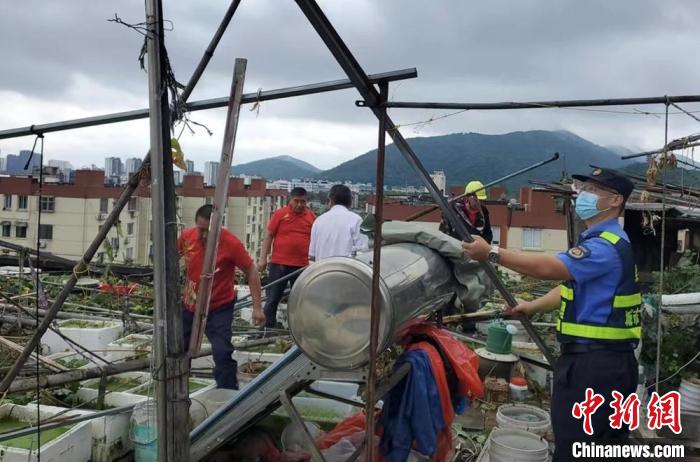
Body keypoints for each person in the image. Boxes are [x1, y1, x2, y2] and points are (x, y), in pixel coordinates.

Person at [462, 167, 640, 461]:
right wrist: (532, 307)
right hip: (598, 363)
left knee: (581, 447)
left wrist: (491, 253)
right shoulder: (603, 242)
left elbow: (549, 268)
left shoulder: (605, 246)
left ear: (615, 201)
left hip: (597, 367)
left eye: (593, 191)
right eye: (583, 188)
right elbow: (569, 287)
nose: (583, 195)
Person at [179, 204, 264, 389]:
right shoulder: (187, 237)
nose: (202, 235)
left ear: (217, 227)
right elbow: (171, 258)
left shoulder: (230, 243)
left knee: (222, 351)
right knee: (179, 348)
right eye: (200, 229)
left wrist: (257, 308)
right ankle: (176, 388)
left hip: (219, 307)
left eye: (207, 230)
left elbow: (251, 271)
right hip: (190, 304)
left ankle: (227, 394)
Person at [258, 187, 315, 328]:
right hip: (279, 263)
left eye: (303, 202)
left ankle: (298, 329)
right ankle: (267, 328)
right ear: (291, 200)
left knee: (301, 299)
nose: (300, 205)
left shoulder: (311, 217)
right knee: (272, 298)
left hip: (301, 265)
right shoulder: (280, 214)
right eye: (297, 201)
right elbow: (269, 236)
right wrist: (262, 258)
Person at [309, 184, 368, 261]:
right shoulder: (356, 220)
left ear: (330, 200)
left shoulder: (318, 221)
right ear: (350, 201)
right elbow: (363, 252)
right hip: (347, 271)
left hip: (322, 271)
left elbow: (312, 255)